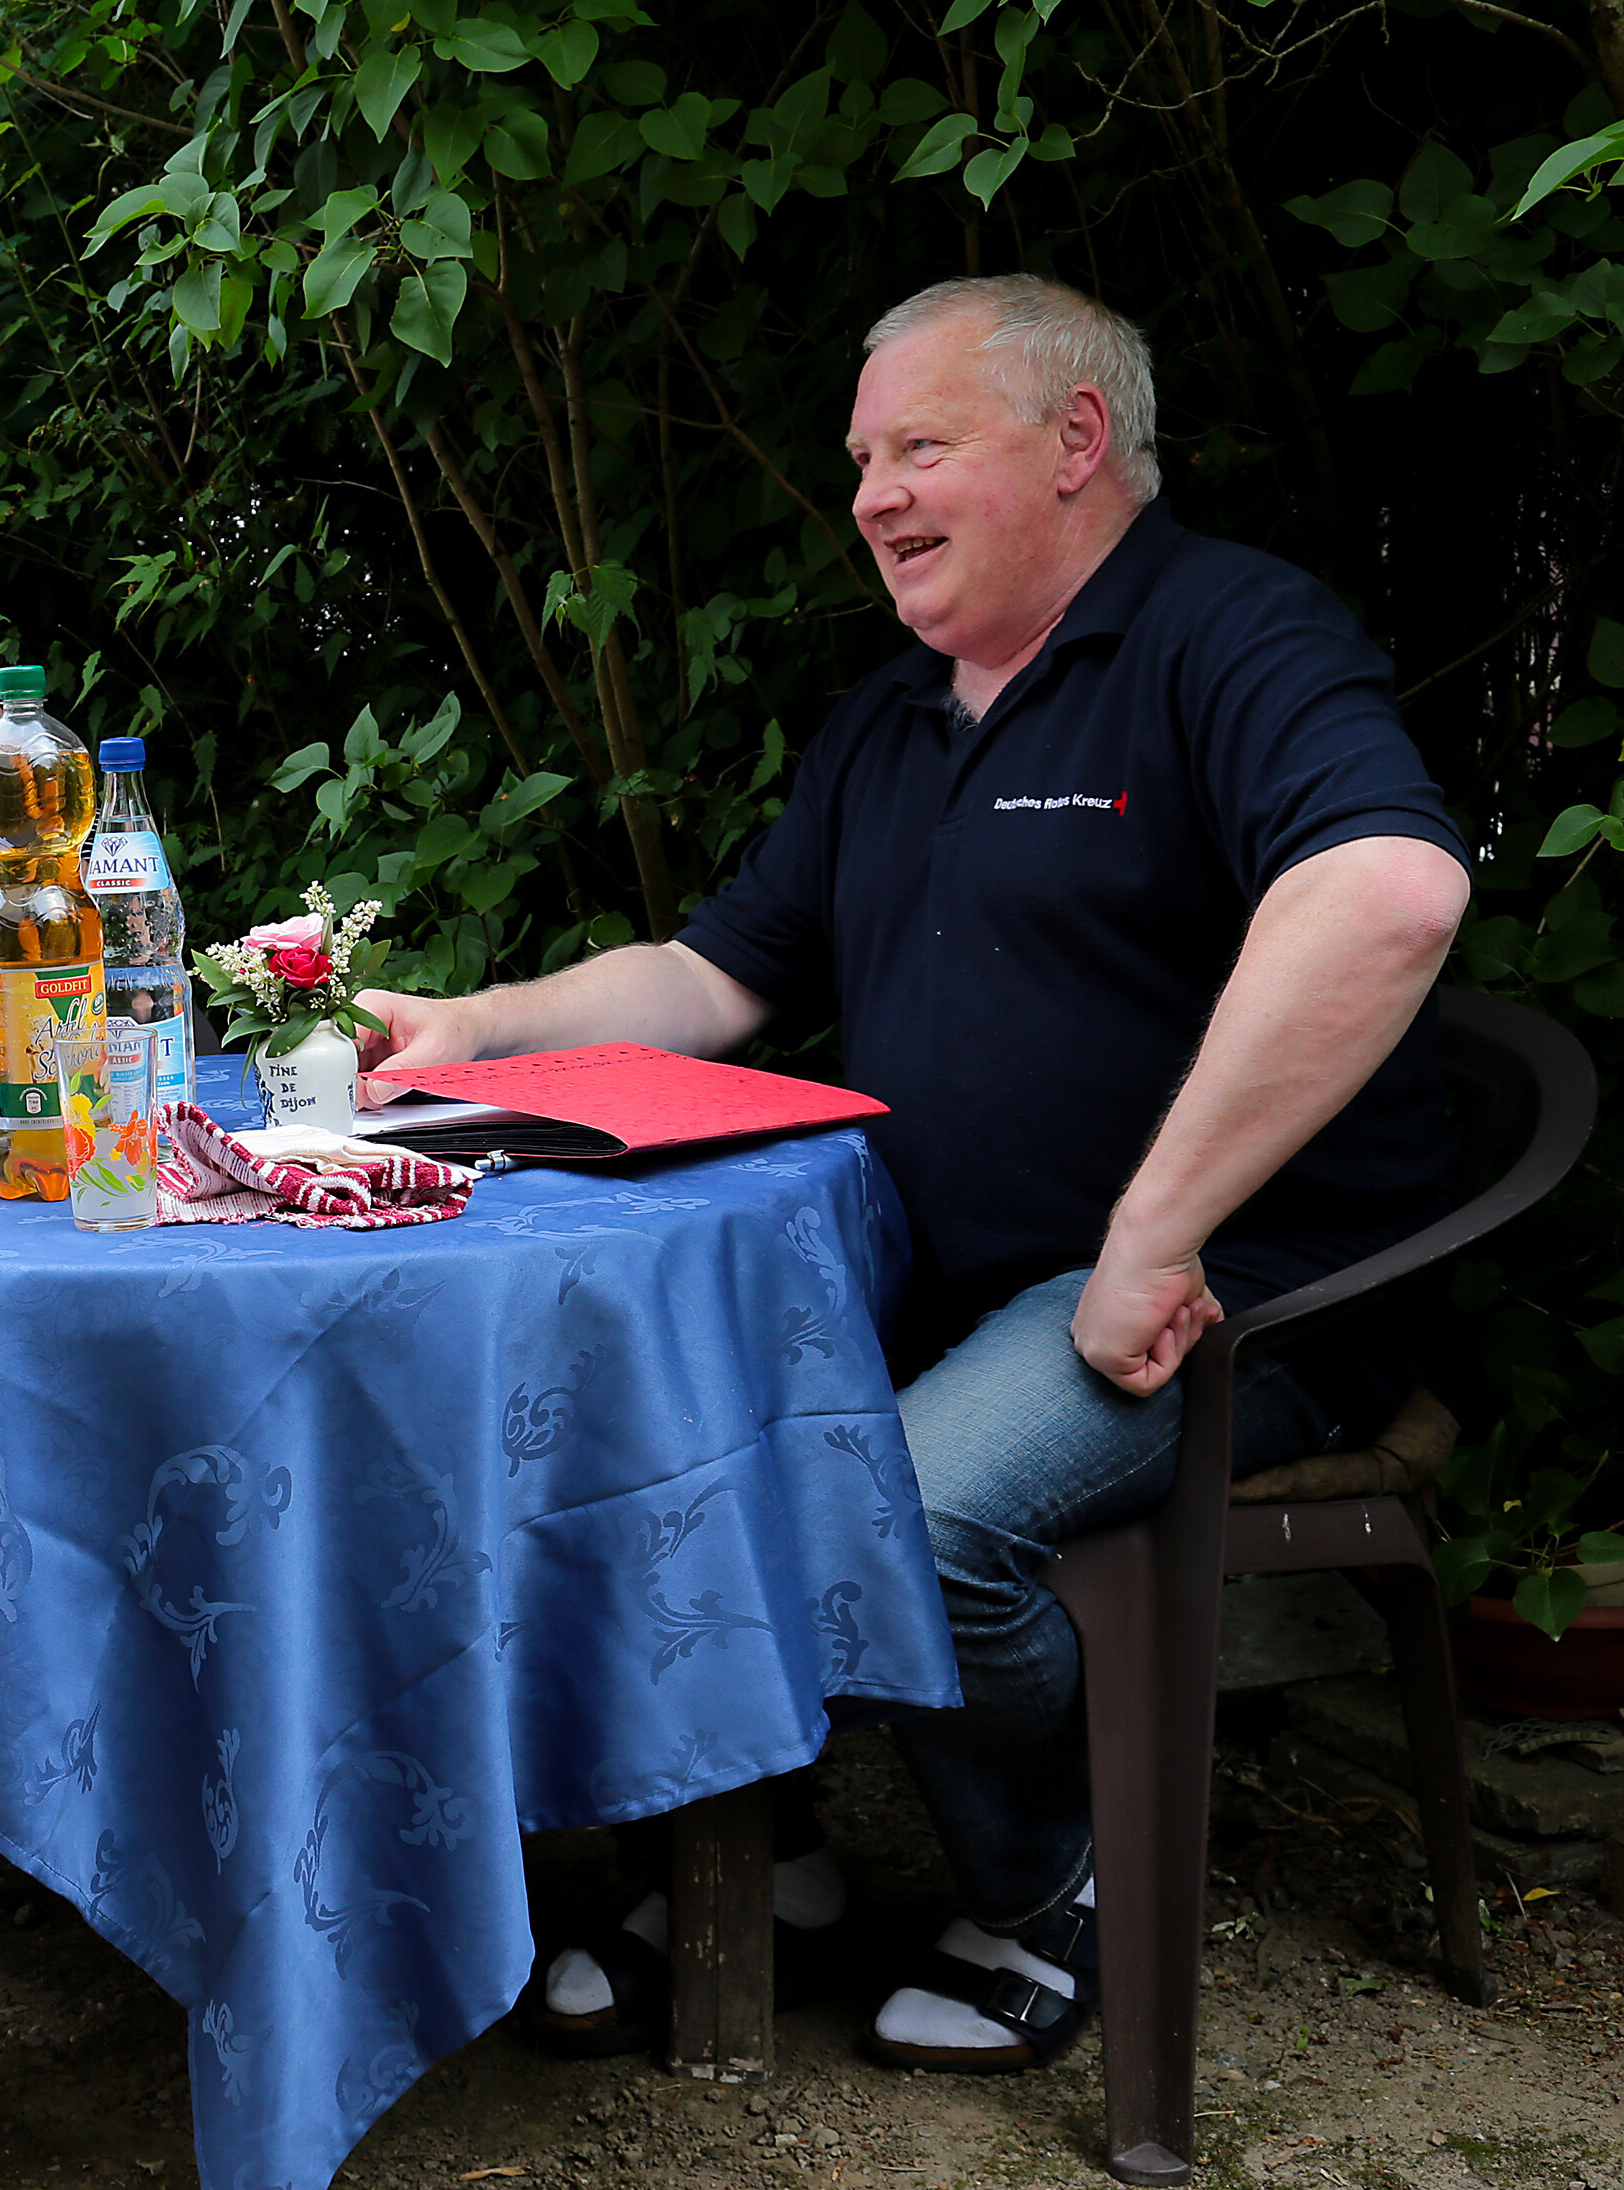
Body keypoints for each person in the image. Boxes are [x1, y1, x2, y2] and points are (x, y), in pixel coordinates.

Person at [360, 276, 1472, 2073]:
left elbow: (1392, 894)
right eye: (864, 457)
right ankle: (765, 1863)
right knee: (631, 1407)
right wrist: (477, 1022)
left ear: (1078, 443)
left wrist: (1154, 1234)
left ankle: (1052, 1893)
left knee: (918, 1516)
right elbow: (717, 977)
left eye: (920, 446)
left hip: (1233, 1289)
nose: (871, 492)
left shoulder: (1233, 639)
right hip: (936, 1264)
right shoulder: (898, 718)